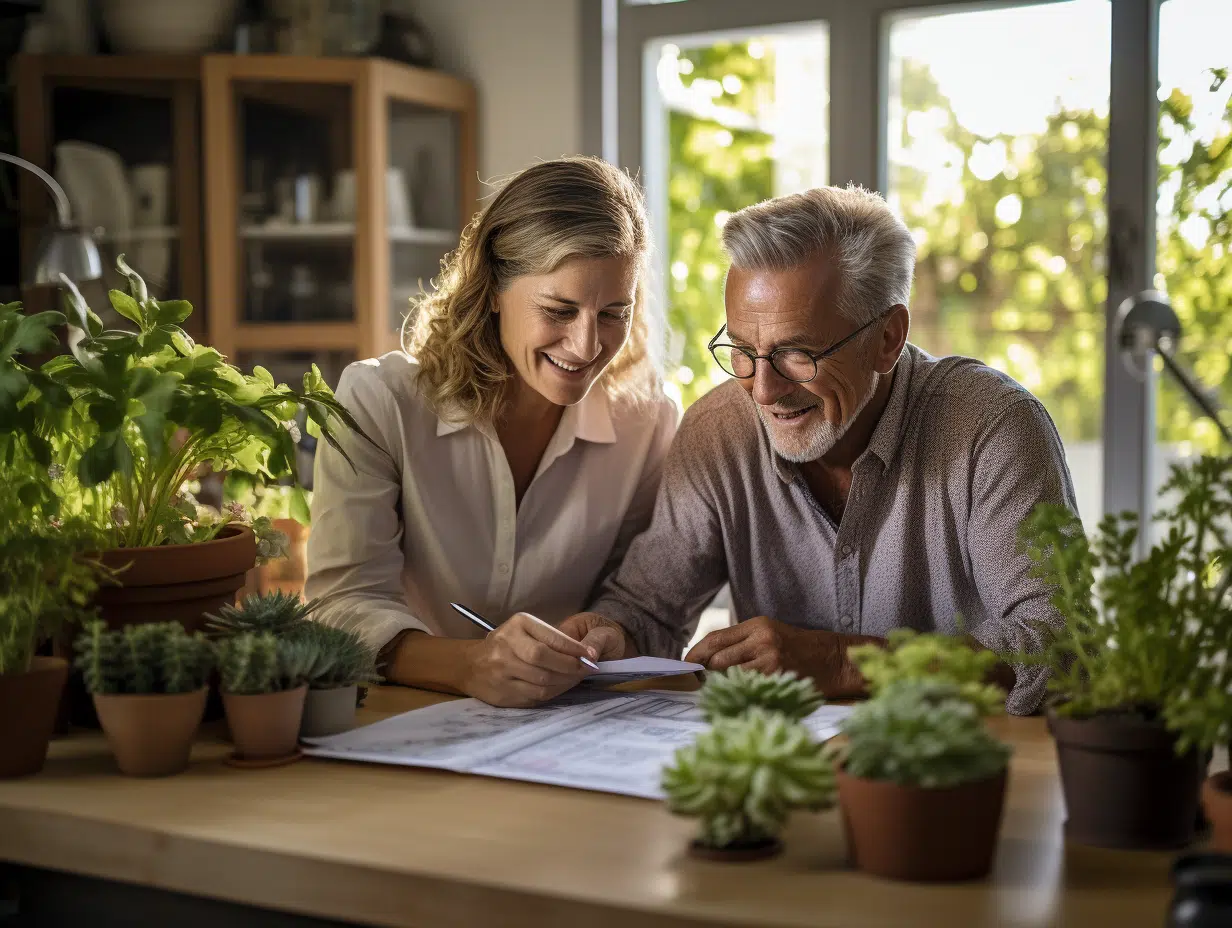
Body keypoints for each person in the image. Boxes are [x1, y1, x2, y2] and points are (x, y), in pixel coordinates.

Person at [562, 185, 1076, 715]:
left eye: (797, 353)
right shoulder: (717, 432)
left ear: (887, 339)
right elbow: (648, 610)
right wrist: (606, 637)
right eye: (741, 351)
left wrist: (843, 662)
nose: (763, 390)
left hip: (956, 775)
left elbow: (1059, 647)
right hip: (786, 772)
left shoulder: (992, 429)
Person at [305, 157, 676, 708]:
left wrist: (614, 630)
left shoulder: (648, 424)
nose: (586, 346)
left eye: (612, 313)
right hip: (403, 716)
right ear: (494, 288)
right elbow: (341, 603)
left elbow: (636, 599)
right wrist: (471, 665)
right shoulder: (380, 402)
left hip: (567, 725)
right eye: (559, 309)